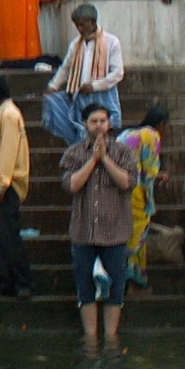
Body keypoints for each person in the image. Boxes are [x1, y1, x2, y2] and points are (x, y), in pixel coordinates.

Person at [61, 105, 136, 340]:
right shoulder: (73, 153)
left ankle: (111, 338)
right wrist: (93, 160)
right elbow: (72, 185)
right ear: (85, 124)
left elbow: (127, 183)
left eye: (103, 121)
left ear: (110, 123)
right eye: (94, 121)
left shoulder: (123, 152)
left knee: (115, 289)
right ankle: (91, 338)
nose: (99, 125)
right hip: (84, 231)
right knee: (86, 290)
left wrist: (105, 158)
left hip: (115, 231)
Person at [42, 3, 124, 144]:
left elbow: (117, 73)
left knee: (103, 134)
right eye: (77, 26)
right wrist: (53, 86)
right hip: (81, 97)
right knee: (80, 132)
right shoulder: (75, 45)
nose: (80, 29)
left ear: (92, 23)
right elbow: (65, 69)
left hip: (103, 97)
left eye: (82, 25)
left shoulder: (111, 42)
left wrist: (94, 86)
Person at [0, 74, 34, 298]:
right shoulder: (6, 114)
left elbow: (8, 152)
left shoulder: (8, 115)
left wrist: (2, 185)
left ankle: (23, 282)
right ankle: (6, 281)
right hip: (3, 185)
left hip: (9, 185)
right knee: (2, 237)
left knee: (10, 237)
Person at [119, 105, 169, 289]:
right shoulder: (151, 135)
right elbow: (149, 171)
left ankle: (132, 275)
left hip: (117, 189)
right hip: (134, 193)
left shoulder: (128, 134)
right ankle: (127, 275)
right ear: (162, 124)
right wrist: (158, 178)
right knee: (136, 234)